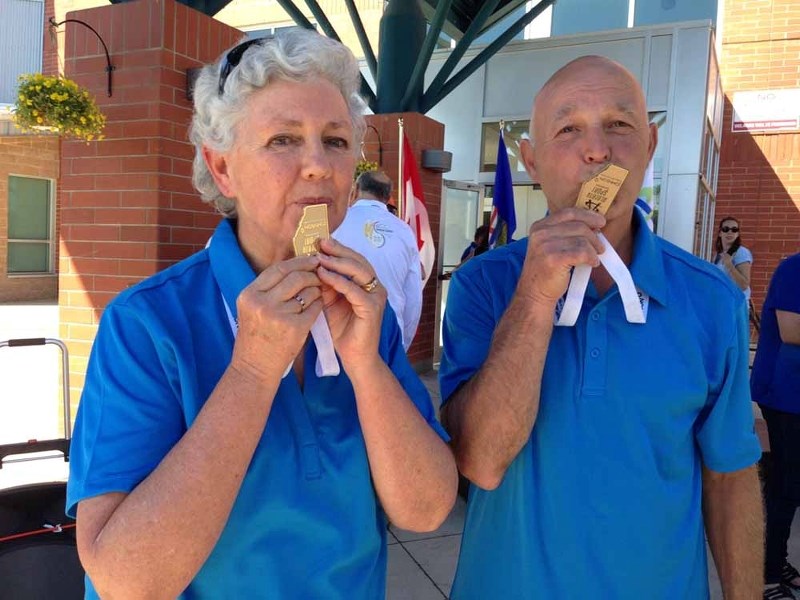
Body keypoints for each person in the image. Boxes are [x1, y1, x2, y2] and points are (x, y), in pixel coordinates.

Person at [66, 30, 457, 599]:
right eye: (282, 140)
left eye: (336, 140)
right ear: (221, 168)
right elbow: (127, 580)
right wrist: (251, 371)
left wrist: (367, 366)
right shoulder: (147, 324)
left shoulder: (364, 309)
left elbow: (426, 511)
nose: (318, 166)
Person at [439, 55, 764, 598]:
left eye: (619, 125)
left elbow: (729, 477)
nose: (598, 150)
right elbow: (479, 461)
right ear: (532, 160)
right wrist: (536, 292)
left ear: (651, 146)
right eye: (569, 129)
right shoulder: (481, 287)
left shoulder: (711, 300)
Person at [751, 253, 800, 600]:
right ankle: (766, 575)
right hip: (783, 394)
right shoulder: (793, 270)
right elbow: (791, 330)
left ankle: (776, 561)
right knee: (787, 484)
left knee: (793, 485)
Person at [333, 170, 422, 351]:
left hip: (338, 335)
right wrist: (403, 343)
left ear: (355, 189)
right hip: (388, 334)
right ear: (388, 197)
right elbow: (413, 298)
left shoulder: (335, 222)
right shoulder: (404, 231)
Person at [713, 216, 753, 300]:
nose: (730, 232)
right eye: (726, 229)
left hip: (736, 305)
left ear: (737, 234)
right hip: (722, 303)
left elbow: (744, 285)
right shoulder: (718, 255)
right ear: (720, 233)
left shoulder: (741, 252)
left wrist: (729, 265)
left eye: (734, 230)